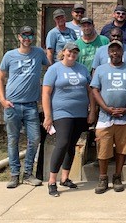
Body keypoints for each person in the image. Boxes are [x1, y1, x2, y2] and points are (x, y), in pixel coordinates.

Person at [0, 26, 49, 189]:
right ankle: (14, 175)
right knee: (13, 140)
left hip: (31, 106)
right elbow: (0, 78)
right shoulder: (9, 56)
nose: (27, 38)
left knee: (35, 139)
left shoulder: (39, 53)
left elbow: (51, 68)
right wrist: (3, 100)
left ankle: (28, 174)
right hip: (12, 105)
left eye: (30, 35)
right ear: (19, 37)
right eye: (24, 35)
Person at [41, 42, 96, 197]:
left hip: (80, 113)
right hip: (61, 112)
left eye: (75, 52)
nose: (72, 54)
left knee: (71, 144)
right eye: (69, 51)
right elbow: (45, 93)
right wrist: (48, 116)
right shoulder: (54, 69)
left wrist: (92, 111)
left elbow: (90, 91)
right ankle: (52, 181)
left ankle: (65, 178)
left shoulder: (82, 69)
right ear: (63, 52)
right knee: (62, 142)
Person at [90, 41, 126, 194]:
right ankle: (103, 178)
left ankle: (117, 177)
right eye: (112, 50)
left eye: (118, 50)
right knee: (103, 149)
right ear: (108, 53)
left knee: (122, 149)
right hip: (105, 117)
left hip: (125, 117)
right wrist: (105, 108)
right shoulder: (100, 69)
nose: (115, 53)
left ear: (122, 53)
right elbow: (95, 90)